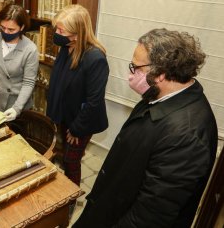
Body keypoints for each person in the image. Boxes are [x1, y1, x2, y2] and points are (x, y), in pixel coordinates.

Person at [73, 28, 218, 228]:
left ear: (161, 74)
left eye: (136, 67)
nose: (131, 74)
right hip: (109, 206)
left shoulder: (187, 136)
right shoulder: (158, 94)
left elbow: (149, 217)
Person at [46, 4, 109, 186]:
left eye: (61, 30)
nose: (56, 33)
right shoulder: (67, 47)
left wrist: (76, 129)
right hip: (66, 115)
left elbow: (93, 102)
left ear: (77, 33)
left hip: (81, 121)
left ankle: (71, 197)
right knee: (64, 155)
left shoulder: (95, 58)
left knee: (70, 161)